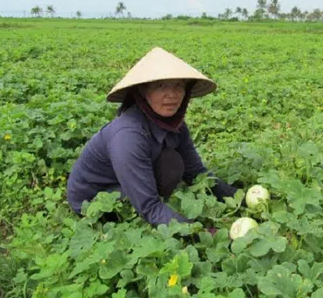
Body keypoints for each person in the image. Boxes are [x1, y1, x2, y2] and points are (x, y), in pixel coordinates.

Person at [66, 47, 238, 226]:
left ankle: (145, 193)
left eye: (179, 85)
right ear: (142, 91)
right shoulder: (128, 136)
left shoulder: (176, 124)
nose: (172, 95)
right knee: (165, 173)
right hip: (95, 200)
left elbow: (196, 172)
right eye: (161, 86)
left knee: (172, 163)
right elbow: (149, 206)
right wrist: (198, 232)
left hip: (125, 181)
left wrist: (238, 197)